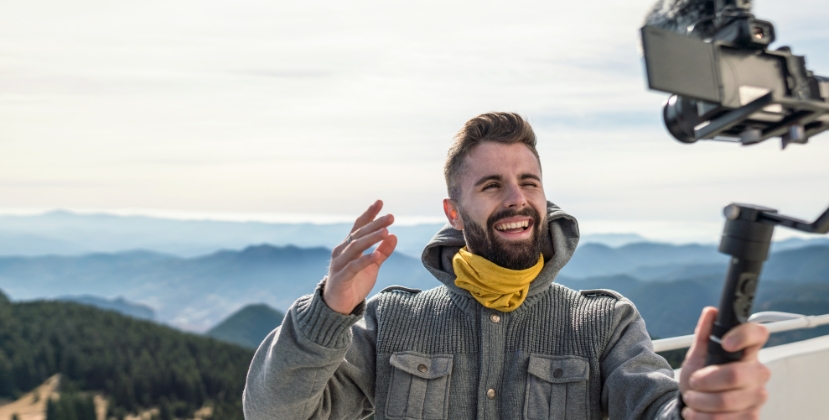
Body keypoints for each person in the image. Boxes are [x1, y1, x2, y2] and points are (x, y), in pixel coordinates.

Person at [243, 112, 771, 420]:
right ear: (454, 211)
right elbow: (273, 411)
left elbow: (655, 411)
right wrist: (330, 310)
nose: (517, 199)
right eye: (492, 185)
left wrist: (696, 409)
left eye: (530, 182)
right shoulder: (390, 321)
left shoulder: (605, 324)